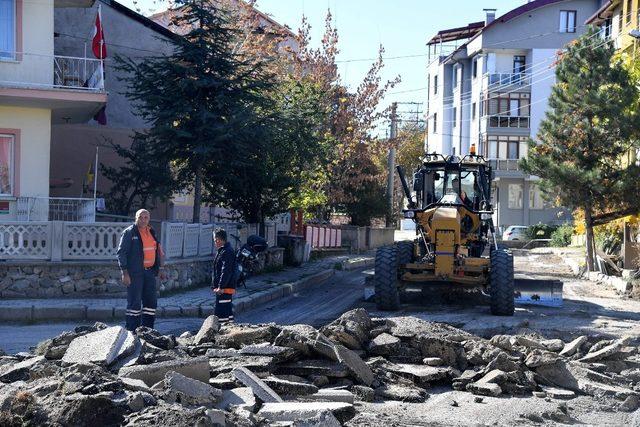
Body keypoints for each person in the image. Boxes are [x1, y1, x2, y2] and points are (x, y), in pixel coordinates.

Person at [117, 209, 165, 331]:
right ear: (136, 218)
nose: (143, 220)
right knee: (135, 304)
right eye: (140, 217)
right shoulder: (129, 232)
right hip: (135, 274)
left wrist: (160, 268)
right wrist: (124, 273)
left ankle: (148, 331)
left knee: (151, 303)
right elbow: (121, 253)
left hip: (150, 272)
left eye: (146, 217)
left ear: (149, 219)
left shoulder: (151, 232)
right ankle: (132, 331)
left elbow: (157, 251)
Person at [212, 228, 237, 325]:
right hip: (225, 288)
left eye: (215, 240)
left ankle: (221, 335)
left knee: (221, 314)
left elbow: (225, 271)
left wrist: (221, 287)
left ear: (218, 239)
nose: (214, 242)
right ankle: (230, 330)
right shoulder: (224, 250)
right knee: (227, 311)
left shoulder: (226, 252)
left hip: (224, 289)